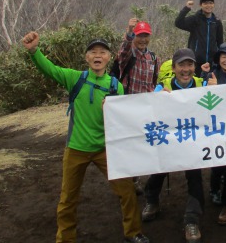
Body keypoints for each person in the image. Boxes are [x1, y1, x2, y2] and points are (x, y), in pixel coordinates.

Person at [21, 32, 149, 243]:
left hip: (105, 148)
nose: (97, 55)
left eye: (102, 52)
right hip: (76, 148)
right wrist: (35, 51)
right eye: (93, 52)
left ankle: (134, 233)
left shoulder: (115, 86)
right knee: (68, 199)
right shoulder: (75, 79)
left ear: (109, 57)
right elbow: (50, 70)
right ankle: (65, 238)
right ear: (87, 57)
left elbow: (122, 119)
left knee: (127, 192)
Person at [143, 48, 211, 243]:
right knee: (158, 171)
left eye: (190, 64)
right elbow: (148, 109)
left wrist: (216, 88)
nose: (186, 69)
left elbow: (217, 106)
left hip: (193, 143)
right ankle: (152, 201)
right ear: (174, 68)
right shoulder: (162, 87)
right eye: (181, 65)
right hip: (169, 142)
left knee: (195, 178)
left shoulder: (202, 84)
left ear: (195, 67)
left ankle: (192, 220)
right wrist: (157, 99)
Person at [114, 18, 158, 197]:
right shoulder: (128, 55)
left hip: (146, 107)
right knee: (128, 144)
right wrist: (129, 31)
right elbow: (123, 49)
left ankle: (136, 178)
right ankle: (129, 181)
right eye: (140, 36)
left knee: (142, 143)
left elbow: (153, 82)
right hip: (128, 106)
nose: (142, 39)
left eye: (145, 36)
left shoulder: (153, 57)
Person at [199, 43, 226, 226]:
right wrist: (207, 83)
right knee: (217, 162)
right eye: (224, 56)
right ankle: (214, 188)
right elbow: (198, 99)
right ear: (218, 58)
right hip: (215, 127)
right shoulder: (210, 75)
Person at [175, 0, 224, 75]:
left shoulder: (217, 21)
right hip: (196, 61)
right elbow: (178, 23)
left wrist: (220, 59)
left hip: (211, 63)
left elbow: (220, 42)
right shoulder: (195, 19)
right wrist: (187, 8)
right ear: (201, 5)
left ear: (213, 4)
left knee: (209, 85)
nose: (208, 5)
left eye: (211, 3)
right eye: (205, 3)